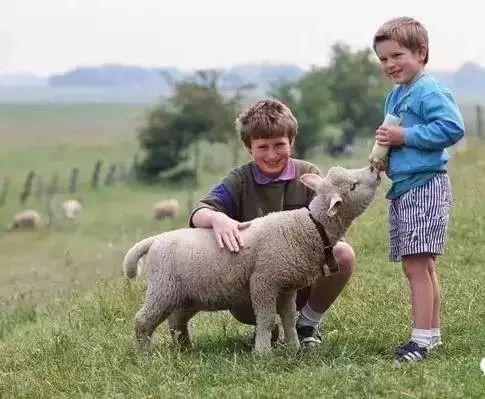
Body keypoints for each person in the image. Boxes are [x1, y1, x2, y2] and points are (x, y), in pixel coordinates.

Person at [189, 99, 356, 345]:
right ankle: (265, 328)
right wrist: (217, 217)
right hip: (253, 286)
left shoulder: (307, 173)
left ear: (292, 142)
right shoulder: (240, 180)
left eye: (279, 145)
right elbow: (198, 212)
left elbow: (333, 225)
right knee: (257, 291)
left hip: (304, 279)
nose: (271, 154)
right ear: (249, 148)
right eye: (262, 147)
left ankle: (307, 325)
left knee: (343, 254)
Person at [372, 17, 465, 363]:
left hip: (426, 185)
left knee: (417, 263)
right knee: (420, 264)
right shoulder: (395, 96)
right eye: (383, 59)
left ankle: (421, 340)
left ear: (421, 52)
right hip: (405, 186)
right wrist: (384, 153)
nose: (389, 65)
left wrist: (405, 137)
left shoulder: (429, 90)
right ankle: (432, 334)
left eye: (397, 55)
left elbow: (452, 128)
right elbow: (394, 135)